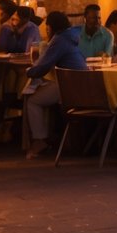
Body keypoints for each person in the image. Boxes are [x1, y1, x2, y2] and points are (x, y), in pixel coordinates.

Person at [23, 11, 87, 159]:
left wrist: (28, 72)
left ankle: (39, 140)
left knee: (33, 101)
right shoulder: (72, 36)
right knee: (44, 92)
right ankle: (47, 136)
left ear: (50, 27)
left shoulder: (60, 40)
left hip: (69, 86)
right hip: (81, 84)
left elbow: (42, 67)